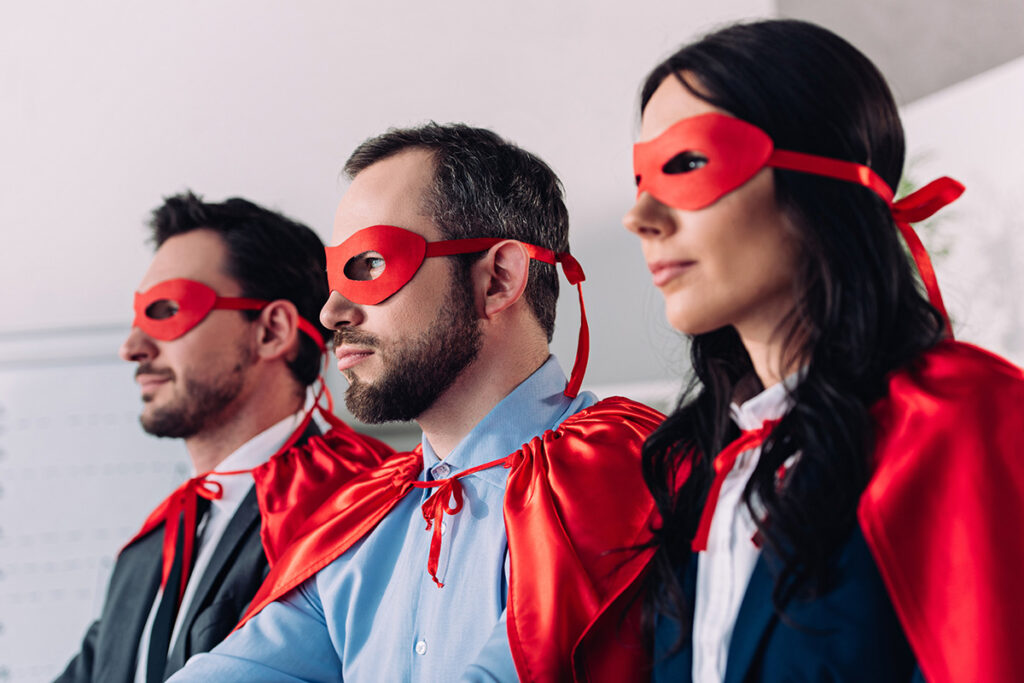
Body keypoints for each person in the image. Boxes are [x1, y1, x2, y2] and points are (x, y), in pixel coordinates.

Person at [169, 124, 664, 682]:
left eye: (371, 265)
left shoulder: (625, 466)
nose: (331, 312)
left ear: (499, 279)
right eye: (337, 274)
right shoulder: (361, 522)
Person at [623, 19, 1024, 683]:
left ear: (824, 177)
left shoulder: (957, 420)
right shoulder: (705, 465)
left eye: (687, 163)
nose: (641, 216)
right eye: (642, 175)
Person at [56, 192, 393, 683]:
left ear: (272, 331)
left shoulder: (360, 510)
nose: (132, 347)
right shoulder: (147, 550)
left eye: (166, 309)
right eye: (137, 315)